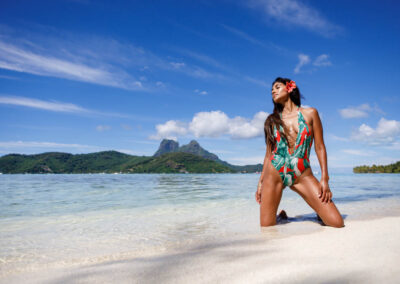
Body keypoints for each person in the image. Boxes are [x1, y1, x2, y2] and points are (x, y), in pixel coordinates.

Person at [255, 77, 344, 228]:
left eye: (277, 87)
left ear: (289, 88)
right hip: (274, 172)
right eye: (271, 90)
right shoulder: (272, 120)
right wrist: (260, 182)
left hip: (302, 173)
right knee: (267, 227)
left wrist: (324, 179)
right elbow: (268, 153)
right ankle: (282, 218)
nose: (273, 91)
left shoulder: (310, 113)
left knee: (336, 223)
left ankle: (319, 212)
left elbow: (320, 147)